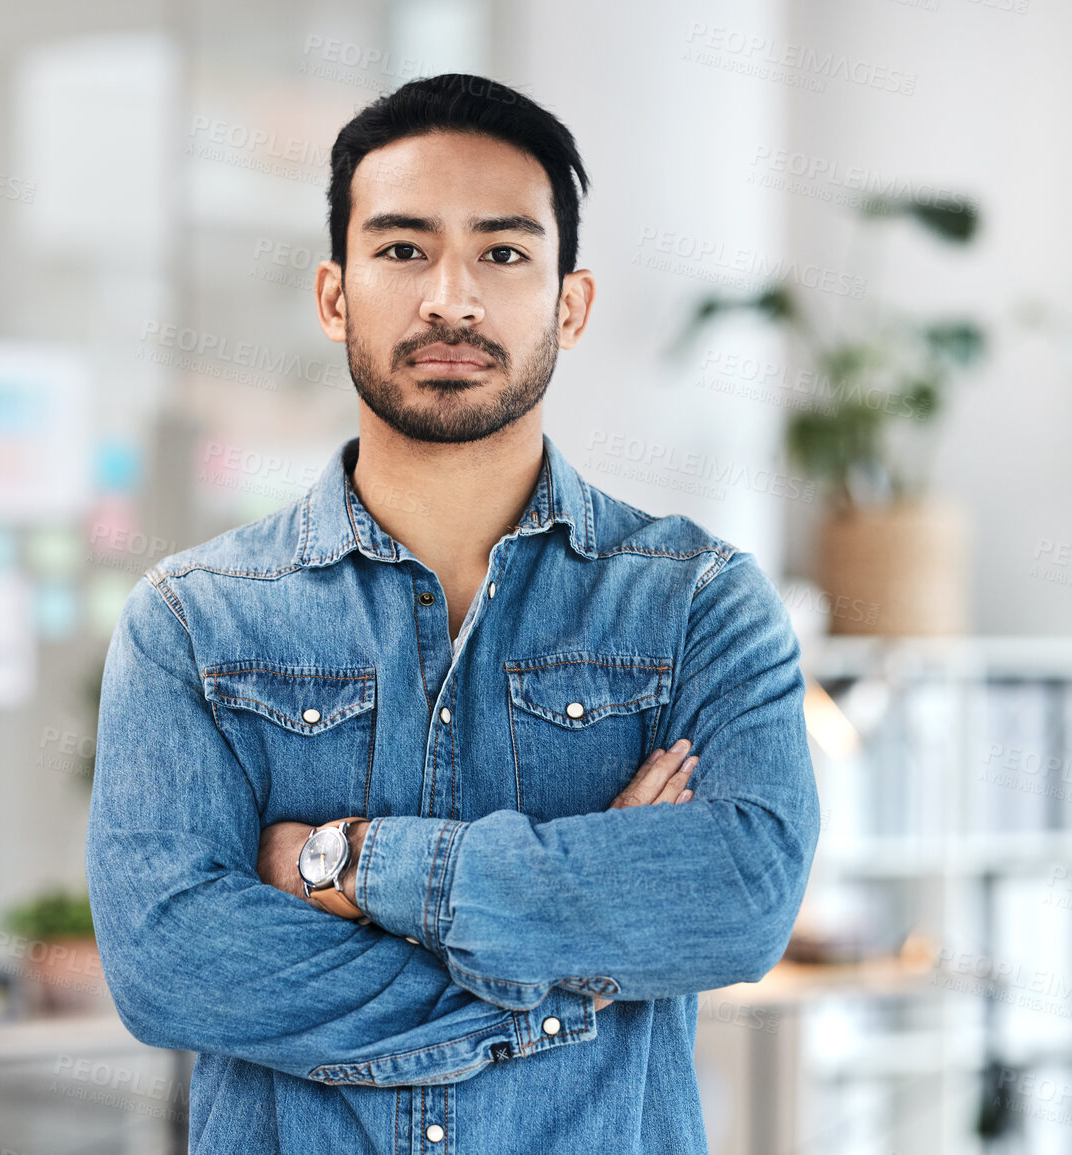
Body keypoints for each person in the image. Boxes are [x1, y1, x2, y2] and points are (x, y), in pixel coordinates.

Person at [86, 73, 820, 1153]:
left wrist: (350, 865)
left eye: (504, 253)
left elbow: (739, 899)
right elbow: (170, 964)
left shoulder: (695, 604)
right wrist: (563, 977)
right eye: (402, 249)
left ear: (569, 303)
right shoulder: (195, 624)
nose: (451, 299)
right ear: (334, 295)